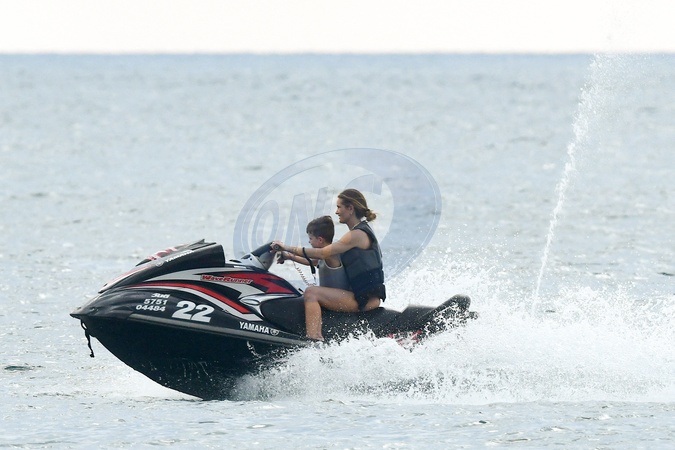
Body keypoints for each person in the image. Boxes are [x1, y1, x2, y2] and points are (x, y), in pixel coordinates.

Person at [272, 188, 386, 341]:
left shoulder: (357, 235)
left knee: (311, 293)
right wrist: (288, 256)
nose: (337, 211)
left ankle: (314, 340)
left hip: (364, 300)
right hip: (363, 296)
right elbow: (317, 260)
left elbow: (321, 253)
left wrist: (286, 247)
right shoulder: (356, 234)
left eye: (339, 207)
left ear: (350, 208)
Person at [277, 215, 350, 290]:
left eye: (311, 238)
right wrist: (288, 256)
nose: (309, 242)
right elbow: (310, 261)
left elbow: (309, 254)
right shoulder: (323, 256)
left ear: (320, 240)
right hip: (327, 294)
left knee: (310, 291)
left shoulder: (330, 254)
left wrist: (285, 247)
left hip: (336, 295)